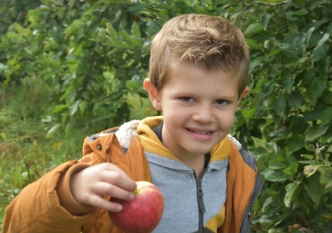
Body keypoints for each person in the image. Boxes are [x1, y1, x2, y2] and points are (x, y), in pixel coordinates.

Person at [2, 13, 263, 233]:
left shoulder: (236, 166)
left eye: (221, 102)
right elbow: (17, 225)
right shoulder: (115, 163)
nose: (205, 116)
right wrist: (70, 191)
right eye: (187, 98)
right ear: (155, 94)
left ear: (239, 100)